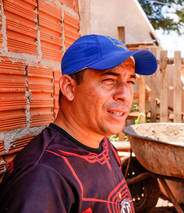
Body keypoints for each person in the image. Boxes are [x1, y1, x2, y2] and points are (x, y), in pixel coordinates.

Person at [0, 34, 157, 212]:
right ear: (69, 88)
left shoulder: (104, 145)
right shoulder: (43, 177)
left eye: (129, 81)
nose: (125, 94)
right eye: (109, 80)